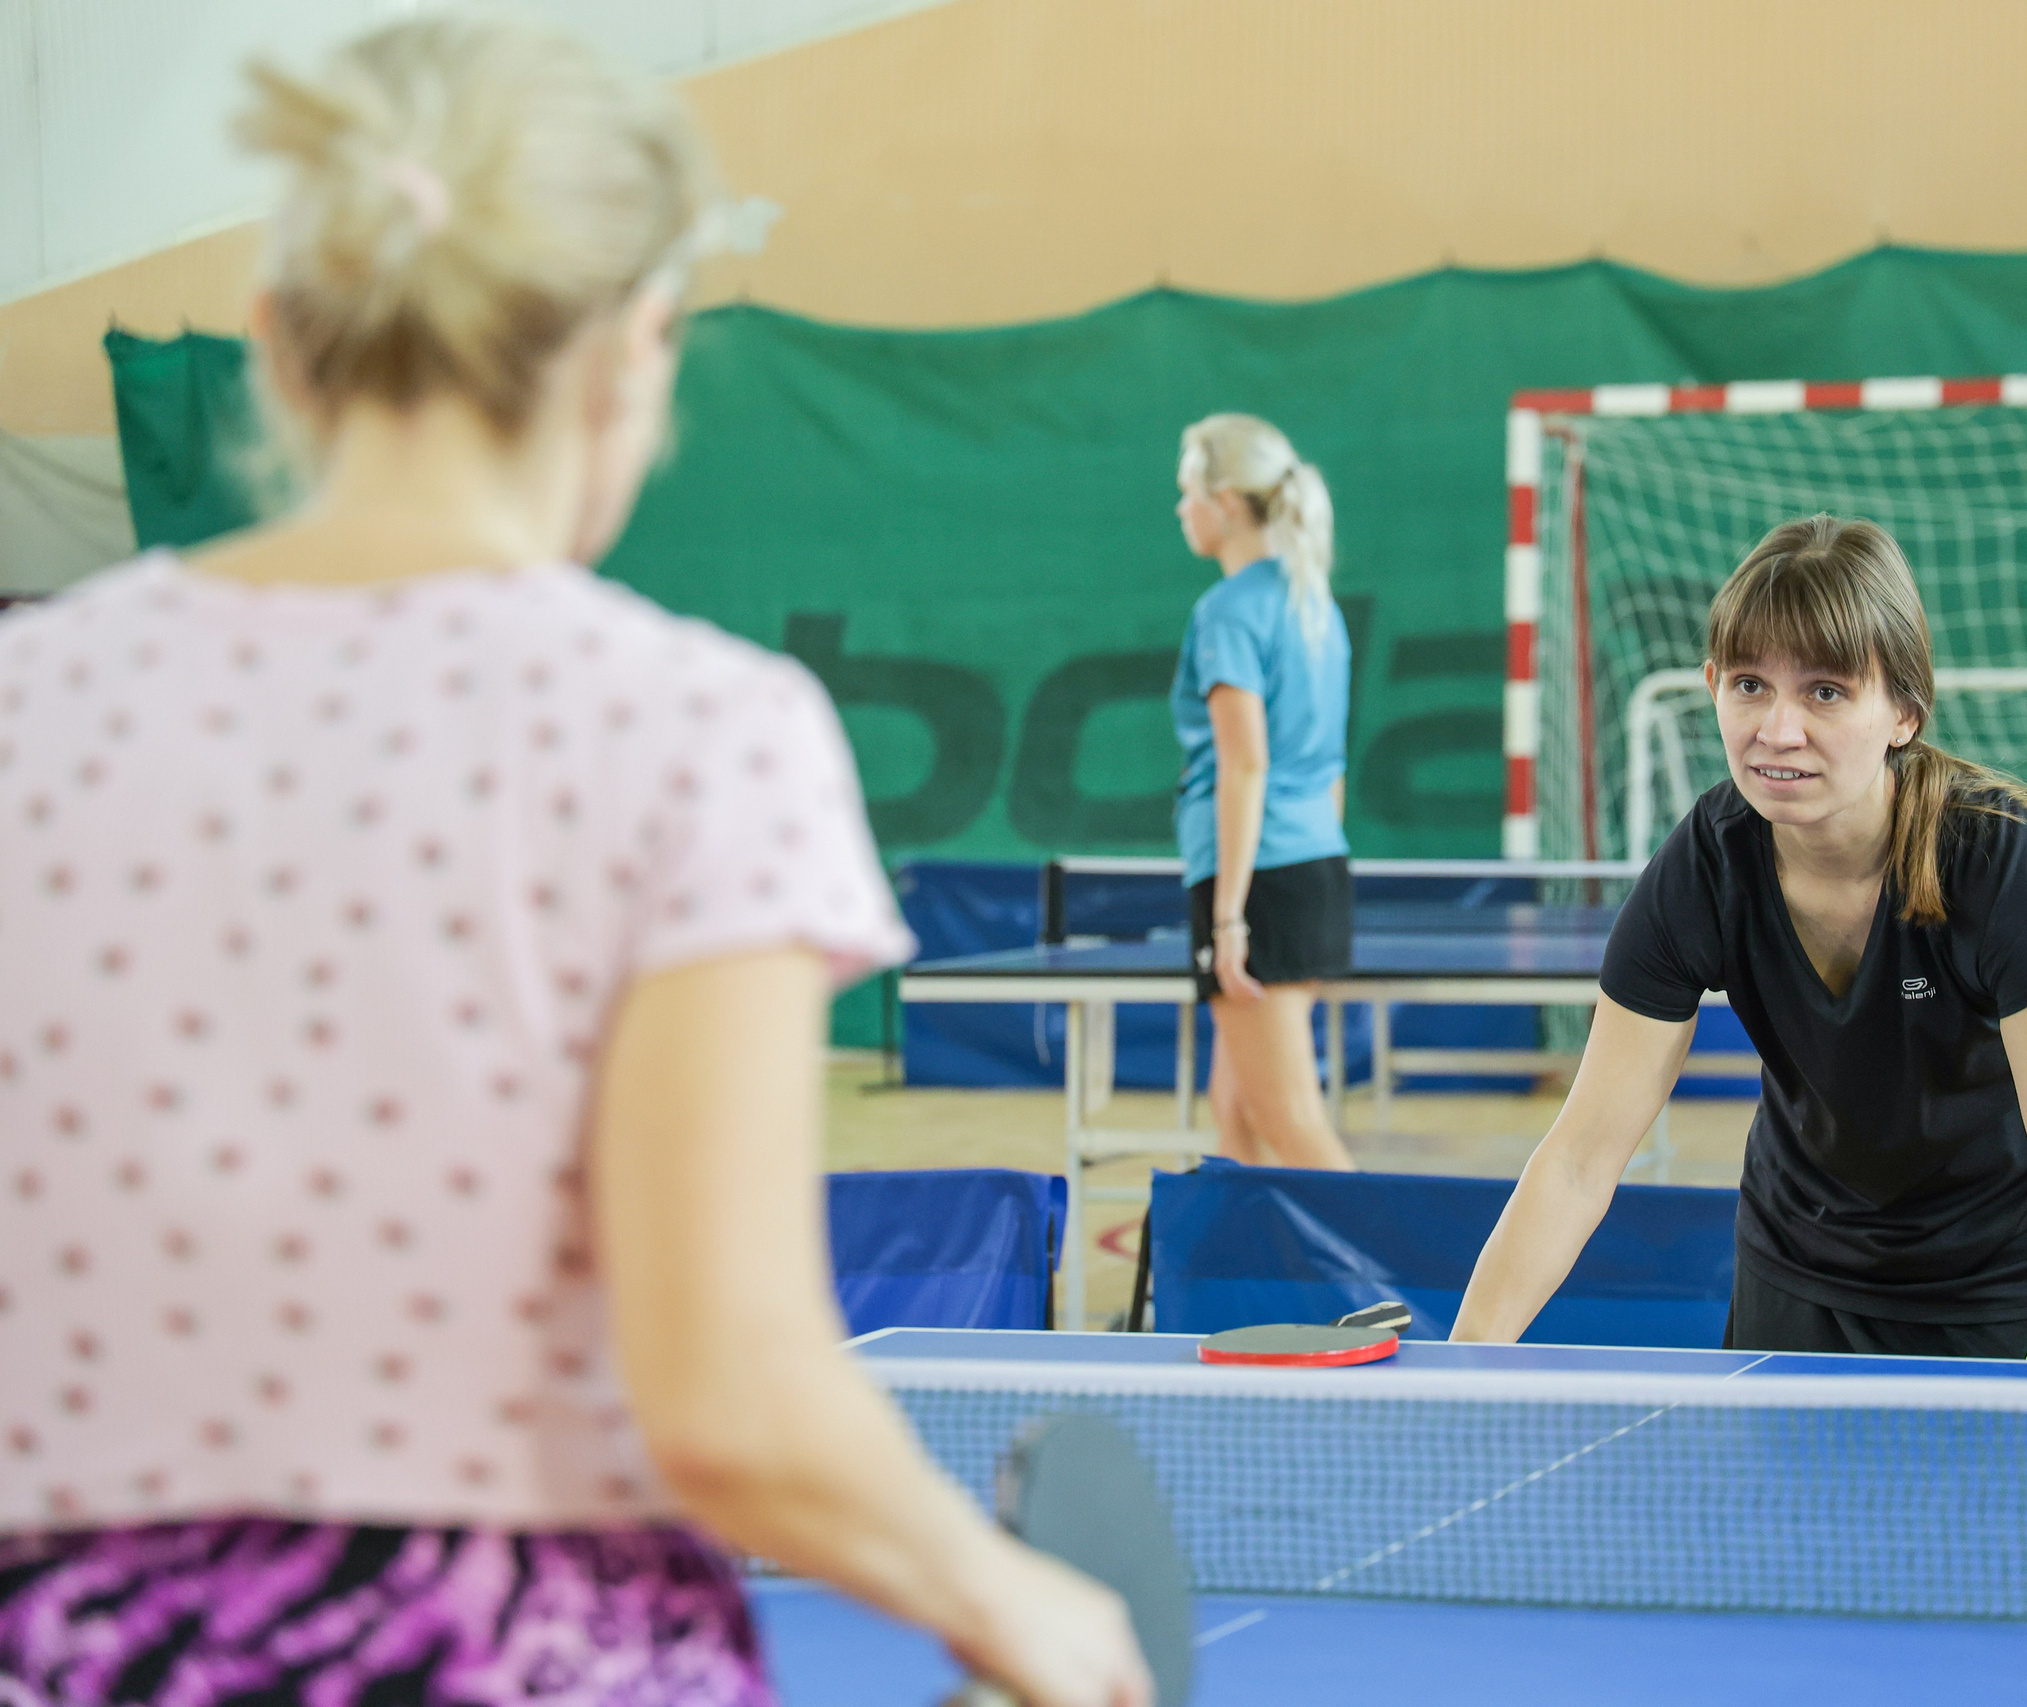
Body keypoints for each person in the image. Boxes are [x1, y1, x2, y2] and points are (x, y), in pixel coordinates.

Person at [0, 19, 1149, 1707]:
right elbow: (729, 1401)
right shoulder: (698, 732)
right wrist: (1009, 1600)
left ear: (275, 345)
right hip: (510, 1650)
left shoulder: (28, 706)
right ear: (641, 349)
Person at [1451, 515, 2027, 1364]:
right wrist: (1467, 1365)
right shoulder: (1707, 863)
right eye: (1750, 684)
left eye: (1825, 691)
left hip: (2009, 1289)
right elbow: (1579, 1156)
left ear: (1903, 712)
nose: (1777, 729)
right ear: (1712, 682)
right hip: (1799, 1282)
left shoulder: (1996, 857)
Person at [1168, 415, 1358, 1171]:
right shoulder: (1314, 604)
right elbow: (1329, 765)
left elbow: (1245, 766)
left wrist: (1230, 916)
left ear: (1221, 501)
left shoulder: (1230, 611)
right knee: (1236, 1109)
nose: (1179, 509)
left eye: (1185, 493)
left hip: (1255, 881)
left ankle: (1399, 1291)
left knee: (1287, 1120)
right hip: (1309, 867)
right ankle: (1255, 1289)